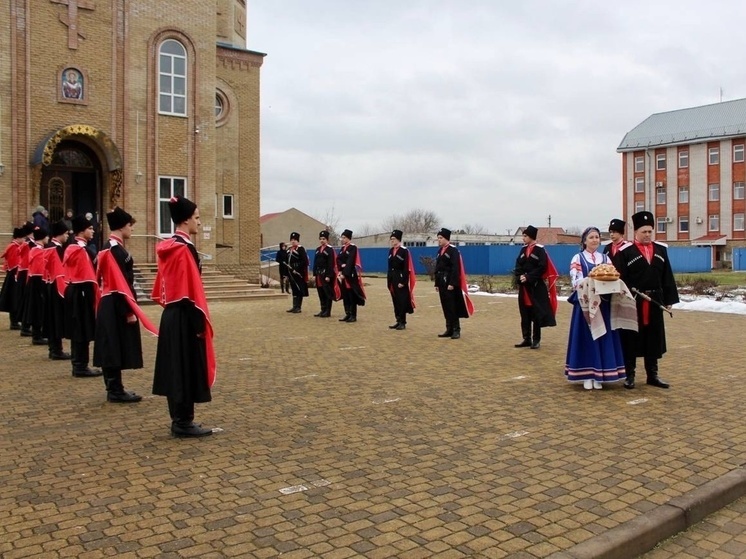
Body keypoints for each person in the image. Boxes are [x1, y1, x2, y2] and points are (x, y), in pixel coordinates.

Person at [152, 195, 215, 438]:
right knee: (185, 366)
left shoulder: (169, 246)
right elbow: (191, 288)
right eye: (197, 218)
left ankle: (178, 418)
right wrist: (199, 322)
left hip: (171, 314)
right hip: (186, 313)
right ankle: (183, 421)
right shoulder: (184, 248)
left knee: (175, 366)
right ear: (186, 220)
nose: (199, 223)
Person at [94, 208, 158, 403]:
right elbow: (121, 283)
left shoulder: (108, 247)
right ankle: (115, 389)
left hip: (110, 300)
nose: (131, 229)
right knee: (113, 344)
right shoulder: (115, 250)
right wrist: (129, 310)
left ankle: (115, 387)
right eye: (130, 225)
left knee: (111, 343)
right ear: (122, 226)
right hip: (116, 300)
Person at [612, 211, 679, 390]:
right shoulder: (625, 252)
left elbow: (667, 276)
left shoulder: (661, 250)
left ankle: (652, 375)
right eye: (644, 232)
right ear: (636, 232)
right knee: (631, 338)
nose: (648, 235)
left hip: (655, 300)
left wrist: (668, 298)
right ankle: (630, 375)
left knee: (653, 338)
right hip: (633, 300)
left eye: (650, 231)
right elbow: (619, 277)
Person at [564, 227, 636, 389]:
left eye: (597, 237)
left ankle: (600, 374)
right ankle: (586, 375)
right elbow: (575, 281)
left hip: (603, 304)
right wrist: (593, 283)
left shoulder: (605, 258)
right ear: (584, 241)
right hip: (585, 305)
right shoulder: (578, 257)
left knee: (602, 335)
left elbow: (613, 276)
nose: (595, 240)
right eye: (591, 237)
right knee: (587, 338)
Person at [63, 215, 102, 378]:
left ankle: (78, 363)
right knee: (82, 328)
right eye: (90, 228)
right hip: (82, 291)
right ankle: (80, 365)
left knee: (78, 328)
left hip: (74, 290)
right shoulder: (81, 250)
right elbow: (88, 275)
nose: (93, 231)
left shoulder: (73, 247)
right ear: (81, 231)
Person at [513, 225, 558, 349]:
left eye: (525, 236)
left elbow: (542, 267)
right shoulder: (522, 250)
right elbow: (518, 265)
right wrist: (520, 277)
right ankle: (526, 338)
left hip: (536, 287)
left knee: (536, 313)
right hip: (524, 288)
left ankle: (536, 339)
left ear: (531, 236)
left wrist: (529, 277)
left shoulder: (540, 250)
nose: (523, 238)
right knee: (525, 313)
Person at [434, 228, 473, 339]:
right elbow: (437, 268)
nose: (439, 240)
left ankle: (456, 329)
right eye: (438, 238)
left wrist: (452, 283)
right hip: (441, 280)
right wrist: (437, 283)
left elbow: (456, 268)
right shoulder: (440, 251)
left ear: (447, 238)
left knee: (452, 306)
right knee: (445, 305)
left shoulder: (453, 251)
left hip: (449, 281)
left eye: (441, 238)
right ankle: (449, 328)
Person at [44, 220, 71, 360]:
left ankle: (53, 347)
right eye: (66, 233)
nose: (67, 236)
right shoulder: (57, 249)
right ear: (60, 234)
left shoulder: (48, 247)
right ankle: (56, 349)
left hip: (49, 284)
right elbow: (61, 270)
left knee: (51, 317)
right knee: (56, 318)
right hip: (57, 286)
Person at [22, 226, 50, 346]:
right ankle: (37, 335)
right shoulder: (39, 251)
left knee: (34, 308)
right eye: (47, 236)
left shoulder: (34, 249)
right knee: (37, 309)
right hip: (38, 283)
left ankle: (36, 334)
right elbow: (40, 271)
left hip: (33, 283)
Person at [387, 229, 416, 330]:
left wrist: (403, 281)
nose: (392, 241)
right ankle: (398, 320)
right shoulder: (391, 251)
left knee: (402, 300)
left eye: (393, 239)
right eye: (391, 239)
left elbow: (406, 267)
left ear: (398, 239)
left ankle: (403, 322)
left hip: (400, 278)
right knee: (395, 300)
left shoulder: (404, 251)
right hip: (392, 278)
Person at [336, 229, 366, 322]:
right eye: (342, 237)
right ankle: (347, 313)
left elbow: (350, 261)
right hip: (343, 274)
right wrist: (341, 267)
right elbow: (338, 259)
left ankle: (353, 315)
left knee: (351, 294)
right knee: (345, 295)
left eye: (344, 237)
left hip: (350, 274)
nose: (342, 239)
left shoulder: (353, 248)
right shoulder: (342, 248)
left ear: (348, 238)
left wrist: (344, 273)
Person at [0, 227, 23, 330]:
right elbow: (15, 263)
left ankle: (15, 321)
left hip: (13, 275)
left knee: (14, 298)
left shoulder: (14, 245)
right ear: (18, 238)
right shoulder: (14, 247)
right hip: (14, 274)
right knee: (13, 298)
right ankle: (14, 322)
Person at [312, 230, 339, 318]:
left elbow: (331, 263)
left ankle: (327, 311)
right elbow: (315, 262)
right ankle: (322, 309)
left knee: (327, 292)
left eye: (324, 239)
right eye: (320, 239)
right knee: (320, 292)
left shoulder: (329, 249)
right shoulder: (318, 249)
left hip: (325, 274)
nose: (322, 240)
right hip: (319, 274)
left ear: (327, 239)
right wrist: (314, 273)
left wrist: (328, 275)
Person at [285, 232, 309, 313]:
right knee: (294, 288)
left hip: (298, 272)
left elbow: (304, 261)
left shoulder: (300, 249)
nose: (293, 241)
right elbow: (287, 261)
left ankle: (298, 307)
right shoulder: (289, 250)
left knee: (299, 288)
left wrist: (297, 269)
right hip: (291, 271)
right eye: (291, 240)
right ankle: (294, 306)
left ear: (297, 241)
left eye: (295, 240)